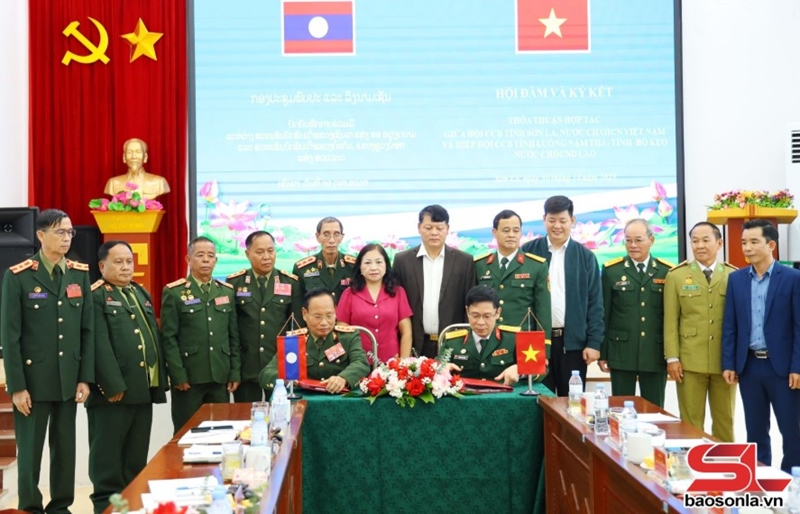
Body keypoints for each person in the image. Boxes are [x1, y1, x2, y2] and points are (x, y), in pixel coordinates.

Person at [0, 208, 94, 514]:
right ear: (41, 235)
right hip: (33, 382)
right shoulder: (19, 276)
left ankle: (60, 507)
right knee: (30, 452)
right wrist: (17, 386)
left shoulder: (79, 274)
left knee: (65, 450)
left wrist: (84, 377)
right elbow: (10, 337)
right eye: (60, 232)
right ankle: (30, 507)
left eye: (70, 232)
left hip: (68, 379)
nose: (67, 238)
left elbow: (87, 330)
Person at [87, 240, 168, 513]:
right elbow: (97, 344)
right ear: (102, 266)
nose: (125, 267)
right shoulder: (96, 295)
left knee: (135, 460)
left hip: (141, 389)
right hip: (113, 393)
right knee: (108, 462)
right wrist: (111, 385)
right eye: (118, 262)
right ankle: (106, 509)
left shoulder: (140, 292)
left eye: (129, 261)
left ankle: (131, 506)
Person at [722, 218, 800, 472]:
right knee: (755, 430)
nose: (747, 248)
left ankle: (792, 480)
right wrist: (729, 363)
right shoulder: (736, 279)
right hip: (749, 366)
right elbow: (730, 324)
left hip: (783, 369)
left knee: (792, 429)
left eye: (754, 242)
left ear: (771, 245)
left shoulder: (793, 278)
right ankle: (759, 477)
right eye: (744, 242)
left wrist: (797, 367)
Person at [521, 195, 603, 396]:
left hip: (573, 345)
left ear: (572, 221)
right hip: (535, 344)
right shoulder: (528, 251)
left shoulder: (586, 257)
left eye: (562, 220)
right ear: (544, 220)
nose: (557, 226)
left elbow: (595, 303)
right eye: (552, 220)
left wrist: (593, 343)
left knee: (572, 403)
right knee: (538, 401)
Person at [664, 222, 737, 441]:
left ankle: (725, 460)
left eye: (706, 240)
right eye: (695, 241)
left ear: (719, 243)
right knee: (690, 422)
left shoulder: (733, 275)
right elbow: (670, 321)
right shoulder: (677, 276)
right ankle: (692, 459)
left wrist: (736, 360)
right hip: (689, 361)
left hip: (724, 362)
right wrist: (672, 358)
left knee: (725, 421)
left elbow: (740, 323)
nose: (700, 245)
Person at [160, 236, 241, 434]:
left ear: (215, 261)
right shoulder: (175, 292)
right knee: (186, 433)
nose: (206, 260)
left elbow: (233, 336)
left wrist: (234, 372)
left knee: (221, 433)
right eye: (200, 255)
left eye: (210, 256)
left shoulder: (226, 292)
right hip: (189, 377)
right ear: (188, 259)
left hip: (219, 375)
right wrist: (177, 375)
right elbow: (169, 338)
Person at [599, 218, 672, 407]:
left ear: (651, 240)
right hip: (621, 351)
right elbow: (605, 314)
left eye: (638, 240)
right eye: (628, 240)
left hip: (655, 352)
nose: (632, 245)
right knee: (620, 409)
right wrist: (603, 353)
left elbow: (672, 317)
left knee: (654, 410)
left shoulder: (667, 271)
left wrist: (673, 355)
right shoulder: (612, 271)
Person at [227, 230, 303, 402]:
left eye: (270, 251)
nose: (267, 257)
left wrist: (293, 369)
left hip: (279, 366)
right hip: (247, 366)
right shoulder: (235, 283)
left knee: (281, 415)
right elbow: (232, 330)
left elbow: (296, 329)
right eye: (260, 252)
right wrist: (234, 370)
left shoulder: (290, 282)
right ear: (247, 254)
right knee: (246, 415)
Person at [393, 205, 476, 357]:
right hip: (414, 343)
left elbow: (469, 305)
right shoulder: (403, 261)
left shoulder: (464, 261)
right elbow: (396, 304)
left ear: (447, 229)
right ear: (419, 227)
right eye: (428, 228)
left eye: (439, 228)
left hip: (453, 342)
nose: (434, 233)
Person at [260, 288, 370, 393]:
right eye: (317, 317)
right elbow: (266, 374)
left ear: (335, 311)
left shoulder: (348, 337)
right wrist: (287, 379)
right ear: (305, 314)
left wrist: (343, 378)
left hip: (340, 398)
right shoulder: (294, 341)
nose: (324, 323)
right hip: (304, 399)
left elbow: (361, 362)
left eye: (329, 316)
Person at [475, 209, 551, 335]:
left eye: (516, 231)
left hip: (522, 340)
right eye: (506, 230)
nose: (511, 235)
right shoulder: (480, 265)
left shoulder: (536, 266)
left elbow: (543, 309)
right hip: (488, 337)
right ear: (494, 232)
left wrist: (544, 343)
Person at [336, 243, 413, 362]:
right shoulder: (349, 294)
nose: (373, 268)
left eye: (379, 262)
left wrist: (403, 364)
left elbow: (406, 332)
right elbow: (342, 331)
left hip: (391, 364)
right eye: (367, 263)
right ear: (360, 267)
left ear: (386, 265)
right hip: (358, 362)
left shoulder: (398, 292)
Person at [440, 285, 520, 384]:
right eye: (475, 316)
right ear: (467, 311)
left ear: (498, 313)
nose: (481, 322)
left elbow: (536, 368)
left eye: (487, 316)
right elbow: (436, 366)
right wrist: (441, 370)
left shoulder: (512, 339)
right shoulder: (453, 342)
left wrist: (519, 369)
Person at [292, 216, 356, 305]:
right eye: (326, 234)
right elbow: (298, 304)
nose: (331, 240)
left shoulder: (354, 266)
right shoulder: (302, 269)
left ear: (342, 237)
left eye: (336, 234)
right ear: (317, 236)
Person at [104, 138, 170, 199]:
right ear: (124, 157)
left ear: (145, 157)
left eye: (138, 152)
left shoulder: (159, 182)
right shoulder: (113, 183)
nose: (133, 156)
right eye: (129, 152)